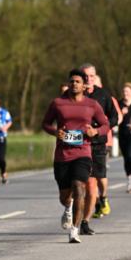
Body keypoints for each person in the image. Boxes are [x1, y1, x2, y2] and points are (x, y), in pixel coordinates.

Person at [42, 69, 109, 244]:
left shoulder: (92, 104)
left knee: (80, 187)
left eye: (77, 81)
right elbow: (45, 123)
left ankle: (74, 230)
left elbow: (105, 124)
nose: (74, 84)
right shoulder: (58, 103)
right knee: (65, 196)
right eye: (71, 81)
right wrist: (56, 132)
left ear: (84, 84)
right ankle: (68, 207)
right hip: (63, 155)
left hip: (83, 152)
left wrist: (95, 131)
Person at [79, 63, 119, 232]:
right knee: (82, 184)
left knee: (96, 181)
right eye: (85, 76)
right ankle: (80, 217)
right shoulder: (72, 96)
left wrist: (100, 130)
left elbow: (115, 117)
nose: (88, 79)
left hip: (98, 145)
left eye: (91, 76)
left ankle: (99, 203)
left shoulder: (103, 95)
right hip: (79, 145)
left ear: (95, 77)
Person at [118, 83, 131, 192]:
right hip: (123, 133)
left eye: (128, 91)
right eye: (124, 92)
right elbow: (114, 117)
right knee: (126, 157)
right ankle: (129, 178)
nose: (125, 94)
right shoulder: (119, 104)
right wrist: (121, 113)